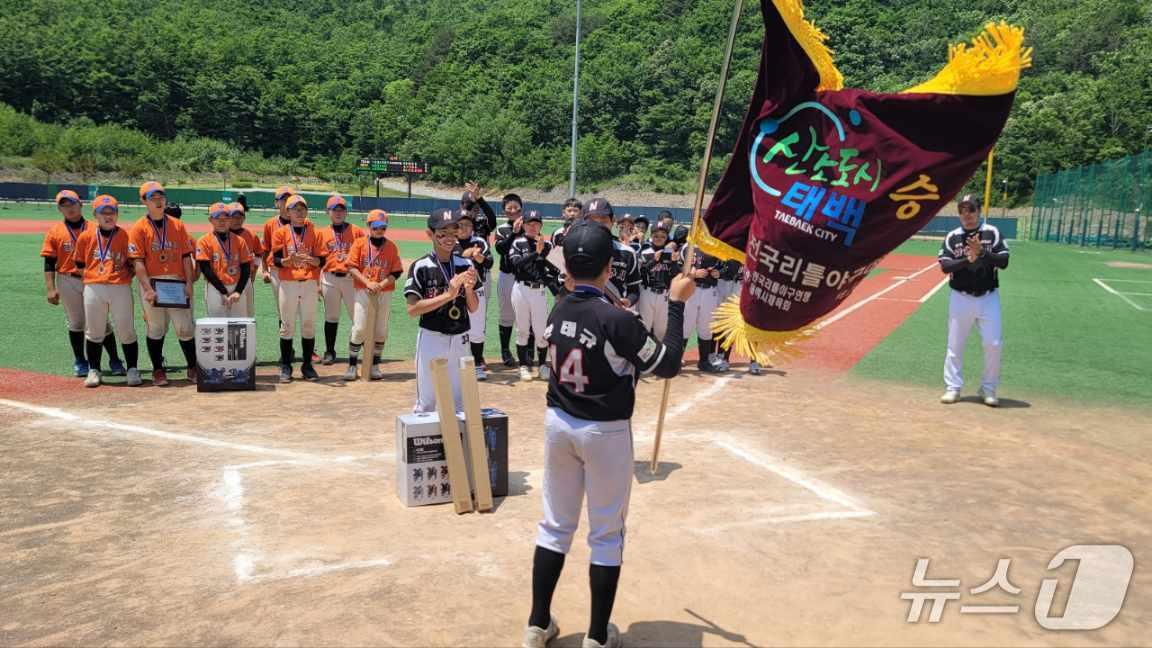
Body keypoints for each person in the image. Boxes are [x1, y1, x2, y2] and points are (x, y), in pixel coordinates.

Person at [521, 221, 694, 648]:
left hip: (559, 423)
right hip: (606, 431)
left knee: (555, 526)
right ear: (609, 266)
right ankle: (597, 636)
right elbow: (668, 363)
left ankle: (537, 623)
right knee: (606, 534)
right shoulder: (617, 319)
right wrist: (675, 303)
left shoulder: (561, 308)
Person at [41, 190, 125, 378]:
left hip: (94, 279)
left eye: (72, 203)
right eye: (64, 205)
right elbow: (49, 261)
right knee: (77, 322)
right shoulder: (55, 231)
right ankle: (80, 360)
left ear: (80, 204)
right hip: (68, 279)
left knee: (102, 322)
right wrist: (50, 288)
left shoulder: (95, 227)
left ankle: (114, 359)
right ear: (59, 208)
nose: (69, 208)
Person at [405, 208, 479, 413]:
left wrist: (469, 289)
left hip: (460, 337)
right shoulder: (421, 266)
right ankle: (427, 444)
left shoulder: (466, 264)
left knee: (459, 403)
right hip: (432, 337)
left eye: (453, 232)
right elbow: (412, 309)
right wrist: (449, 294)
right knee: (427, 403)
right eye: (442, 233)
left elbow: (473, 307)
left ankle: (457, 445)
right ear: (430, 234)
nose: (449, 238)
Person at [939, 194, 1009, 407]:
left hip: (988, 297)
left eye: (971, 209)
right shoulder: (953, 237)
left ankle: (988, 388)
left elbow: (1004, 261)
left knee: (993, 343)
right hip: (961, 297)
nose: (966, 215)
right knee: (955, 345)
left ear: (979, 211)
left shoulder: (992, 233)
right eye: (962, 210)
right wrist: (966, 259)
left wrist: (982, 252)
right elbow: (945, 267)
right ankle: (953, 388)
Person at [128, 181, 198, 386]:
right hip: (153, 284)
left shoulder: (177, 225)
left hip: (176, 282)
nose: (158, 202)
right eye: (153, 198)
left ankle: (192, 367)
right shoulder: (139, 228)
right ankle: (158, 370)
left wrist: (189, 283)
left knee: (185, 327)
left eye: (161, 197)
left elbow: (186, 256)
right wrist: (148, 289)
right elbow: (138, 261)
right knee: (156, 328)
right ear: (144, 201)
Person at [72, 195, 142, 388]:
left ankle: (132, 369)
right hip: (94, 287)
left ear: (117, 214)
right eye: (104, 213)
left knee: (126, 330)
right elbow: (78, 264)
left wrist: (124, 275)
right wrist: (93, 276)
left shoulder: (125, 235)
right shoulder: (86, 236)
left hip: (120, 287)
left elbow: (134, 263)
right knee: (94, 331)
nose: (108, 216)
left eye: (112, 212)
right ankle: (94, 370)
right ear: (95, 215)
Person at [270, 195, 327, 383]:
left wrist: (313, 260)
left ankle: (307, 366)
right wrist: (287, 261)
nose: (299, 212)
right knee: (286, 326)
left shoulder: (315, 233)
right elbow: (276, 260)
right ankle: (286, 366)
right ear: (287, 212)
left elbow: (322, 259)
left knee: (308, 325)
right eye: (295, 209)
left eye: (302, 208)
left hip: (309, 282)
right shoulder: (280, 233)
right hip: (288, 283)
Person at [344, 210, 404, 381]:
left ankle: (375, 364)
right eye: (376, 227)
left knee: (380, 330)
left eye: (383, 227)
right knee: (359, 328)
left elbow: (396, 272)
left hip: (383, 291)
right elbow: (352, 267)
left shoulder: (391, 246)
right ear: (369, 226)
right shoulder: (359, 244)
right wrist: (367, 282)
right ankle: (352, 364)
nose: (380, 230)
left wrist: (381, 284)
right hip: (363, 290)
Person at [316, 194, 365, 364]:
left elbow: (365, 256)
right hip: (330, 278)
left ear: (346, 212)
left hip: (351, 279)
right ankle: (330, 352)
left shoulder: (357, 231)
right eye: (334, 209)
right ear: (327, 212)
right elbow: (318, 261)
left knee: (357, 316)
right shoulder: (321, 233)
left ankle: (363, 351)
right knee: (331, 316)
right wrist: (317, 283)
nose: (338, 213)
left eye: (341, 209)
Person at [508, 210, 556, 381]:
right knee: (522, 329)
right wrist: (536, 252)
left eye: (536, 223)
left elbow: (554, 268)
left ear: (541, 225)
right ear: (524, 225)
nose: (533, 226)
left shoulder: (548, 245)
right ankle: (523, 366)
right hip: (521, 289)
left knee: (541, 331)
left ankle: (543, 365)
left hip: (539, 291)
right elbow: (516, 264)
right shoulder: (518, 242)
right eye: (529, 223)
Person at [196, 203, 253, 317]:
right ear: (211, 219)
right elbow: (206, 269)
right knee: (217, 325)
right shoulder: (204, 241)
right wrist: (223, 291)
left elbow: (246, 268)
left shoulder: (239, 240)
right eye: (218, 218)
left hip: (237, 286)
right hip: (215, 287)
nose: (222, 222)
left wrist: (238, 291)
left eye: (226, 218)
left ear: (230, 219)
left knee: (239, 325)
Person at [581, 198, 641, 308]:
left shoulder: (627, 253)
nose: (598, 225)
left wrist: (628, 301)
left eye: (603, 220)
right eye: (592, 220)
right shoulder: (576, 250)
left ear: (613, 221)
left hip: (613, 313)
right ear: (583, 222)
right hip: (584, 312)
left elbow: (634, 290)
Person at [456, 210, 494, 380]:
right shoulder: (449, 241)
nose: (464, 228)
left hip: (476, 289)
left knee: (477, 329)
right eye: (460, 224)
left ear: (473, 227)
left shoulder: (479, 241)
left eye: (468, 224)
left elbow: (490, 262)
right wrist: (465, 253)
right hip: (455, 291)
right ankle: (457, 363)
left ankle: (478, 363)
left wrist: (479, 258)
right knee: (456, 328)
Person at [682, 247, 725, 373]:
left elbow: (726, 268)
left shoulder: (718, 248)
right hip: (691, 288)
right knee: (685, 326)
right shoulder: (688, 247)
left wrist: (719, 273)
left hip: (710, 290)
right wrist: (694, 274)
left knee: (706, 327)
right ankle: (676, 360)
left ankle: (704, 362)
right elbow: (678, 268)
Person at [495, 193, 525, 368]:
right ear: (504, 210)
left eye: (516, 207)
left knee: (525, 315)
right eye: (509, 208)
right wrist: (514, 233)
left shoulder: (529, 225)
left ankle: (526, 352)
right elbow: (501, 249)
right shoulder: (502, 229)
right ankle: (505, 351)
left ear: (521, 208)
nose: (513, 210)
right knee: (506, 314)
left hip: (525, 277)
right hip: (507, 275)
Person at [636, 223, 680, 340]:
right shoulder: (645, 252)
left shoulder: (670, 253)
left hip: (665, 295)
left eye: (662, 236)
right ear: (651, 236)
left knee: (661, 330)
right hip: (647, 292)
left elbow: (677, 275)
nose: (659, 239)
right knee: (644, 327)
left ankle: (658, 357)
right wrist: (654, 261)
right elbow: (641, 273)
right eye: (656, 236)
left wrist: (674, 263)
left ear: (667, 238)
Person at [262, 186, 295, 324]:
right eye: (284, 199)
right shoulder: (270, 224)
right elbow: (265, 249)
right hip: (277, 270)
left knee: (300, 308)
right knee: (282, 308)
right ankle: (286, 343)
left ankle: (306, 342)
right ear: (277, 203)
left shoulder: (304, 223)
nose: (287, 202)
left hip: (297, 270)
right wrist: (264, 270)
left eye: (290, 199)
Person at [227, 202, 264, 317]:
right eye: (234, 217)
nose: (237, 220)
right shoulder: (220, 235)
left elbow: (258, 254)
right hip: (225, 279)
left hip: (245, 279)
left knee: (247, 313)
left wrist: (254, 271)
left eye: (240, 217)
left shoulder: (251, 235)